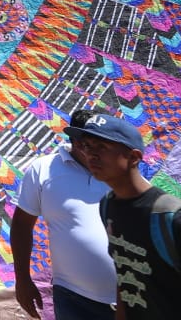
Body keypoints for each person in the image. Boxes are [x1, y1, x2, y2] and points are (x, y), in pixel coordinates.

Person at [67, 112, 181, 320]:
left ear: (134, 157)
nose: (91, 154)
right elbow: (126, 276)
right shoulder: (109, 207)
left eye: (102, 147)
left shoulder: (177, 220)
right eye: (87, 146)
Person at [11, 110, 115, 320]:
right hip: (73, 299)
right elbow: (21, 225)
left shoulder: (117, 169)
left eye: (102, 145)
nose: (96, 152)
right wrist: (22, 280)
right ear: (75, 142)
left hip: (126, 295)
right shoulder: (43, 170)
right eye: (88, 144)